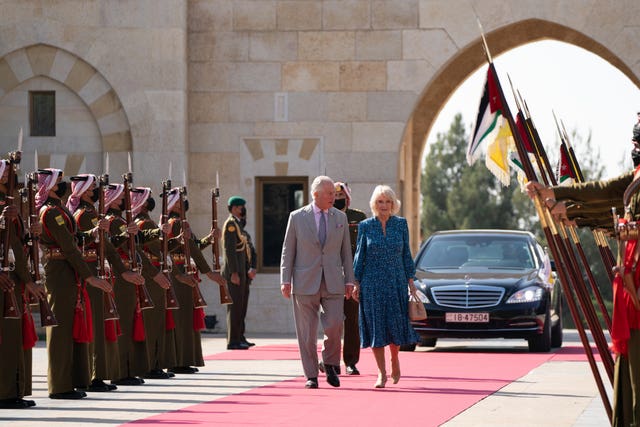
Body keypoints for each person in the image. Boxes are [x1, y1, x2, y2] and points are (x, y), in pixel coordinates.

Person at [524, 149, 640, 427]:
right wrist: (564, 200)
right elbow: (608, 191)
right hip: (631, 283)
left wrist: (576, 209)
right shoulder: (636, 178)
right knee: (630, 375)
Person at [37, 168, 112, 399]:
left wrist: (93, 232)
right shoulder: (50, 212)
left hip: (68, 272)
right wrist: (90, 276)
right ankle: (60, 386)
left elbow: (75, 239)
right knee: (60, 330)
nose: (62, 184)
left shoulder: (59, 210)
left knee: (72, 327)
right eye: (58, 181)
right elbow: (68, 247)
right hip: (59, 272)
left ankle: (74, 380)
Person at [69, 174, 145, 392]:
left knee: (104, 324)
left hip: (102, 271)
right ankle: (94, 375)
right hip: (90, 271)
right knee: (96, 324)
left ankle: (99, 374)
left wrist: (123, 271)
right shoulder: (84, 215)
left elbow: (108, 246)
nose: (95, 192)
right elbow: (84, 242)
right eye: (92, 188)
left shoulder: (93, 214)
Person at [280, 175, 356, 389]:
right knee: (307, 332)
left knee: (334, 325)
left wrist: (350, 281)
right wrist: (285, 279)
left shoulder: (340, 218)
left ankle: (330, 362)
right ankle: (311, 375)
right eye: (329, 193)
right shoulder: (296, 217)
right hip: (304, 282)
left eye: (334, 193)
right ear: (315, 195)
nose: (334, 197)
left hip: (333, 281)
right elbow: (288, 251)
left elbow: (346, 254)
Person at [353, 185, 419, 388]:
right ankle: (381, 373)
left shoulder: (401, 224)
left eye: (387, 201)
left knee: (395, 325)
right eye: (380, 201)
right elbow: (359, 255)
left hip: (396, 282)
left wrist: (411, 281)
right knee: (376, 328)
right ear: (374, 204)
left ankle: (395, 359)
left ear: (393, 204)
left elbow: (406, 254)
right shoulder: (365, 226)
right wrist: (356, 282)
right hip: (371, 283)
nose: (384, 205)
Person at [164, 187, 227, 374]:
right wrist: (208, 272)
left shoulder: (181, 223)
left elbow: (194, 248)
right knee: (182, 319)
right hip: (179, 276)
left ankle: (185, 359)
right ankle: (178, 361)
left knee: (187, 318)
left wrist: (210, 238)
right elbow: (167, 250)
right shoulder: (175, 223)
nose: (183, 204)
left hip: (187, 272)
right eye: (179, 201)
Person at [0, 160, 44, 408]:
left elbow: (17, 243)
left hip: (14, 275)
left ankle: (12, 391)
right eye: (5, 171)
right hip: (5, 276)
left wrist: (31, 233)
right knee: (5, 337)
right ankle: (5, 393)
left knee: (13, 336)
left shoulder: (10, 203)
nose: (9, 175)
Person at [132, 188, 178, 379]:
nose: (150, 201)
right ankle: (150, 365)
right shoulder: (143, 223)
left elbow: (160, 248)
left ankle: (154, 364)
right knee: (153, 322)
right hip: (152, 277)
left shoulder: (143, 222)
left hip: (154, 273)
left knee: (156, 321)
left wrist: (175, 239)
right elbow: (156, 250)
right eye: (147, 199)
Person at [327, 181, 366, 376]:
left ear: (347, 197)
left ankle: (350, 361)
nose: (338, 199)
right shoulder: (325, 216)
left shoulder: (359, 218)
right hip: (331, 276)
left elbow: (365, 248)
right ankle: (331, 360)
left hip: (352, 277)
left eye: (341, 196)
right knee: (332, 321)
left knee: (352, 321)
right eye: (335, 196)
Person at [222, 196, 255, 350]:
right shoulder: (231, 224)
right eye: (240, 207)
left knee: (241, 307)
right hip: (234, 273)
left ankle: (240, 336)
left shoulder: (237, 224)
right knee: (234, 307)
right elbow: (229, 251)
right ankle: (233, 340)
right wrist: (234, 273)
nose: (242, 210)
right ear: (234, 208)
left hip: (242, 272)